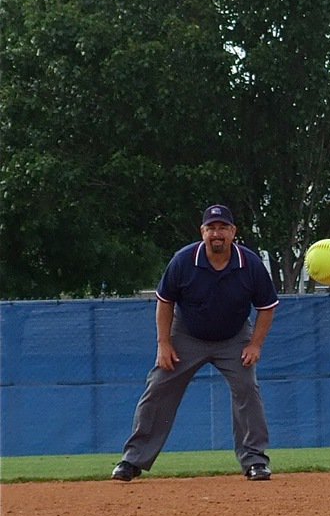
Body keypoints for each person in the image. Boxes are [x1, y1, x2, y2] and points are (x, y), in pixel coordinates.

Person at [112, 204, 280, 482]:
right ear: (202, 232)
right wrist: (163, 344)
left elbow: (267, 306)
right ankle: (133, 460)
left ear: (233, 232)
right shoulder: (184, 260)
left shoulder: (249, 263)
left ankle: (255, 461)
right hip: (187, 333)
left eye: (223, 227)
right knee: (159, 387)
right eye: (211, 228)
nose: (217, 233)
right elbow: (165, 302)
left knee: (247, 389)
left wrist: (255, 345)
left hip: (234, 336)